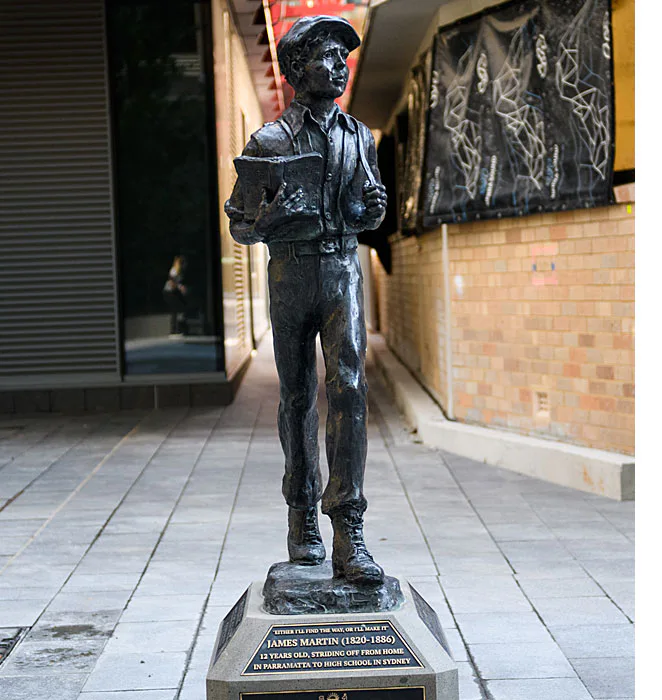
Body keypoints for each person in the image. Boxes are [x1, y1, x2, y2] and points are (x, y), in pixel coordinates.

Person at [224, 16, 388, 583]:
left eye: (344, 56)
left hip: (342, 267)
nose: (340, 66)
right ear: (296, 69)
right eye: (328, 55)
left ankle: (349, 525)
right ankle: (302, 516)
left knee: (350, 388)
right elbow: (240, 224)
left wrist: (371, 206)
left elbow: (371, 207)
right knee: (297, 396)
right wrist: (261, 219)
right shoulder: (269, 141)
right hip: (291, 275)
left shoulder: (357, 137)